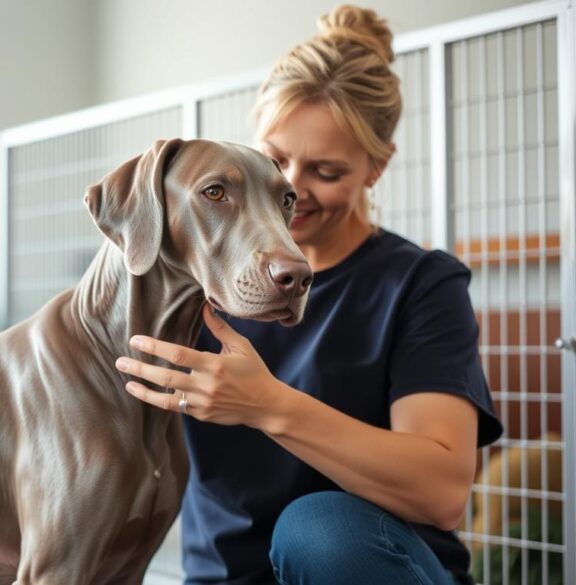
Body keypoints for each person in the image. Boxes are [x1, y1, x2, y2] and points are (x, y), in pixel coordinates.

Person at [115, 5, 503, 585]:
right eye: (275, 159)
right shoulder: (193, 277)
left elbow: (441, 492)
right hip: (224, 576)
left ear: (375, 168)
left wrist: (268, 405)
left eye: (326, 171)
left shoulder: (419, 285)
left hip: (371, 566)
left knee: (320, 529)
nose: (292, 188)